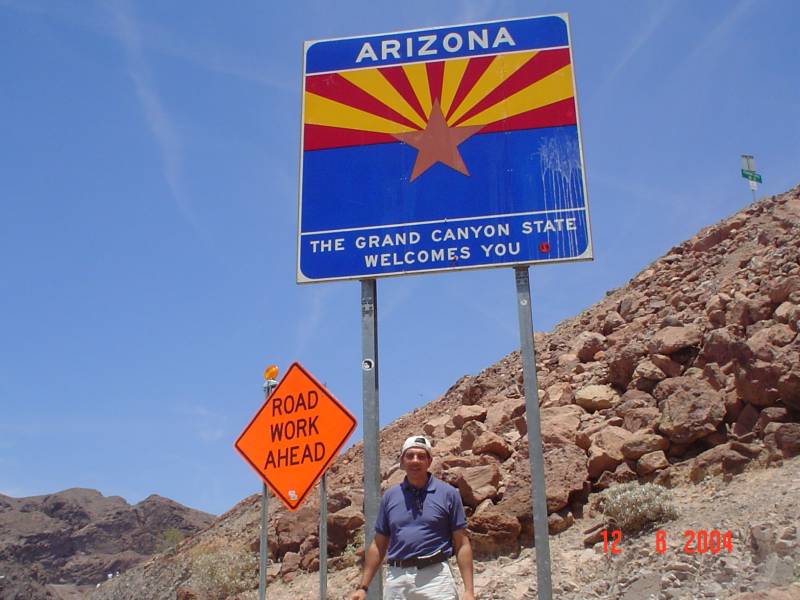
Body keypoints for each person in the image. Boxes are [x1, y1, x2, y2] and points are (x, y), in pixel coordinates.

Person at [350, 435, 475, 600]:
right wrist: (363, 588)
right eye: (410, 456)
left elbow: (462, 544)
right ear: (402, 461)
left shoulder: (448, 494)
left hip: (436, 580)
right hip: (397, 580)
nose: (415, 460)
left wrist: (469, 591)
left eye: (421, 456)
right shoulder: (390, 497)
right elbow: (379, 545)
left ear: (429, 461)